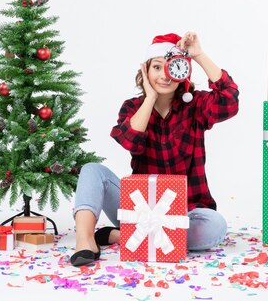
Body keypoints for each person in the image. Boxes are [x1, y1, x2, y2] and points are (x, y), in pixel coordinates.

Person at [70, 31, 240, 267]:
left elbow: (230, 101)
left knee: (214, 227)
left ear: (183, 73)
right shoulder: (132, 107)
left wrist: (198, 55)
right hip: (139, 207)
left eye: (172, 69)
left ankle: (122, 236)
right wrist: (149, 98)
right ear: (145, 71)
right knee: (91, 170)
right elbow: (131, 141)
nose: (164, 76)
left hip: (184, 212)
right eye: (157, 67)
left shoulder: (196, 105)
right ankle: (85, 241)